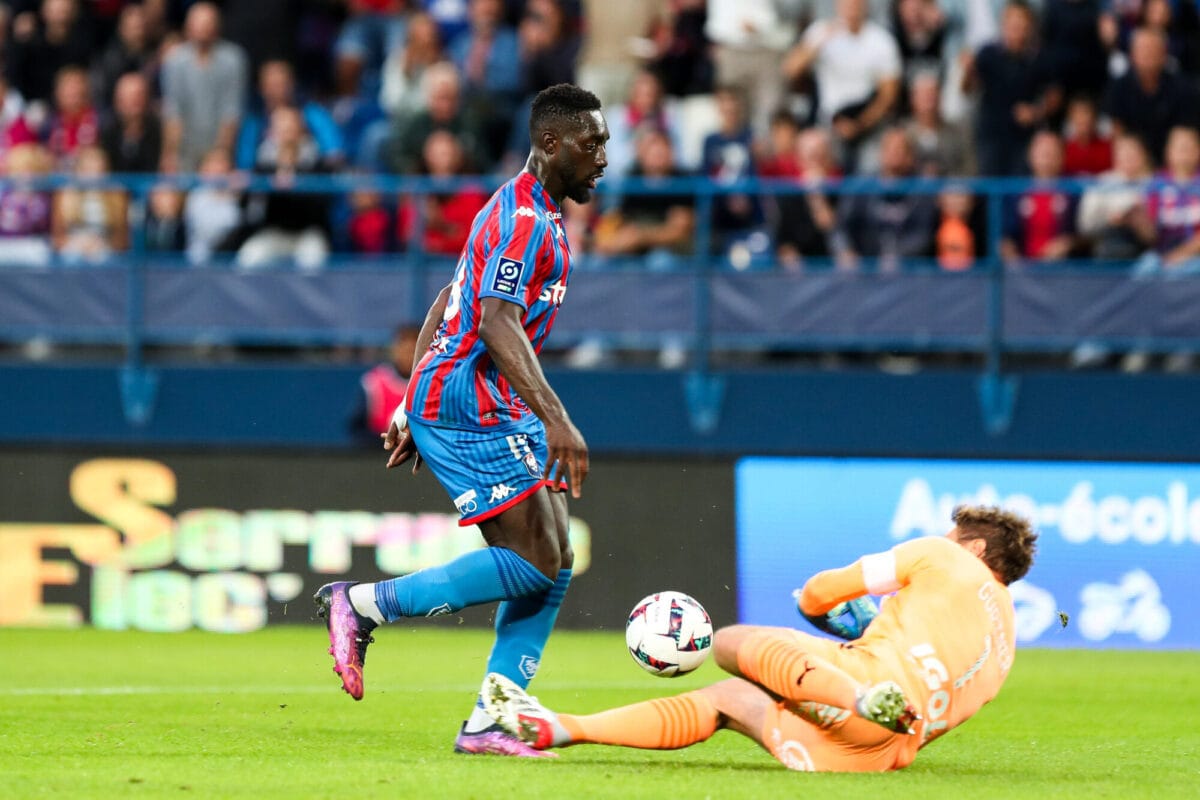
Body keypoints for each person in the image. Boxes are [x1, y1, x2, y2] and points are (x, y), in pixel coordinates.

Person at [315, 83, 608, 758]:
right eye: (591, 144)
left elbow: (452, 294)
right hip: (469, 402)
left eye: (605, 143)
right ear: (551, 144)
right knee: (535, 559)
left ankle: (494, 714)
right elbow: (493, 320)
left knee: (555, 559)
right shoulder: (525, 221)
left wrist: (409, 393)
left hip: (488, 399)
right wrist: (556, 418)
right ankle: (364, 605)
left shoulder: (530, 211)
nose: (602, 158)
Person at [483, 504, 1038, 773]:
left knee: (729, 643)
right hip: (879, 752)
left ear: (976, 550)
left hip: (868, 693)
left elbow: (823, 593)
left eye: (951, 536)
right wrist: (866, 635)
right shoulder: (1006, 640)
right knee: (731, 702)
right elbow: (925, 670)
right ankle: (559, 729)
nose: (943, 540)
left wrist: (816, 607)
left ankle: (858, 695)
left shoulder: (946, 557)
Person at [160, 2, 249, 173]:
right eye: (198, 23)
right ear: (188, 26)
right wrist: (171, 154)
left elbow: (231, 112)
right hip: (185, 147)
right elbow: (173, 113)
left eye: (208, 23)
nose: (203, 29)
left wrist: (221, 154)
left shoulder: (233, 59)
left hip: (221, 147)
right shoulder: (175, 61)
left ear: (217, 27)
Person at [347, 324, 421, 443]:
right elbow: (357, 430)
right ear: (394, 350)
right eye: (403, 350)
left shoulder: (433, 385)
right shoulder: (373, 383)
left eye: (412, 351)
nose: (407, 357)